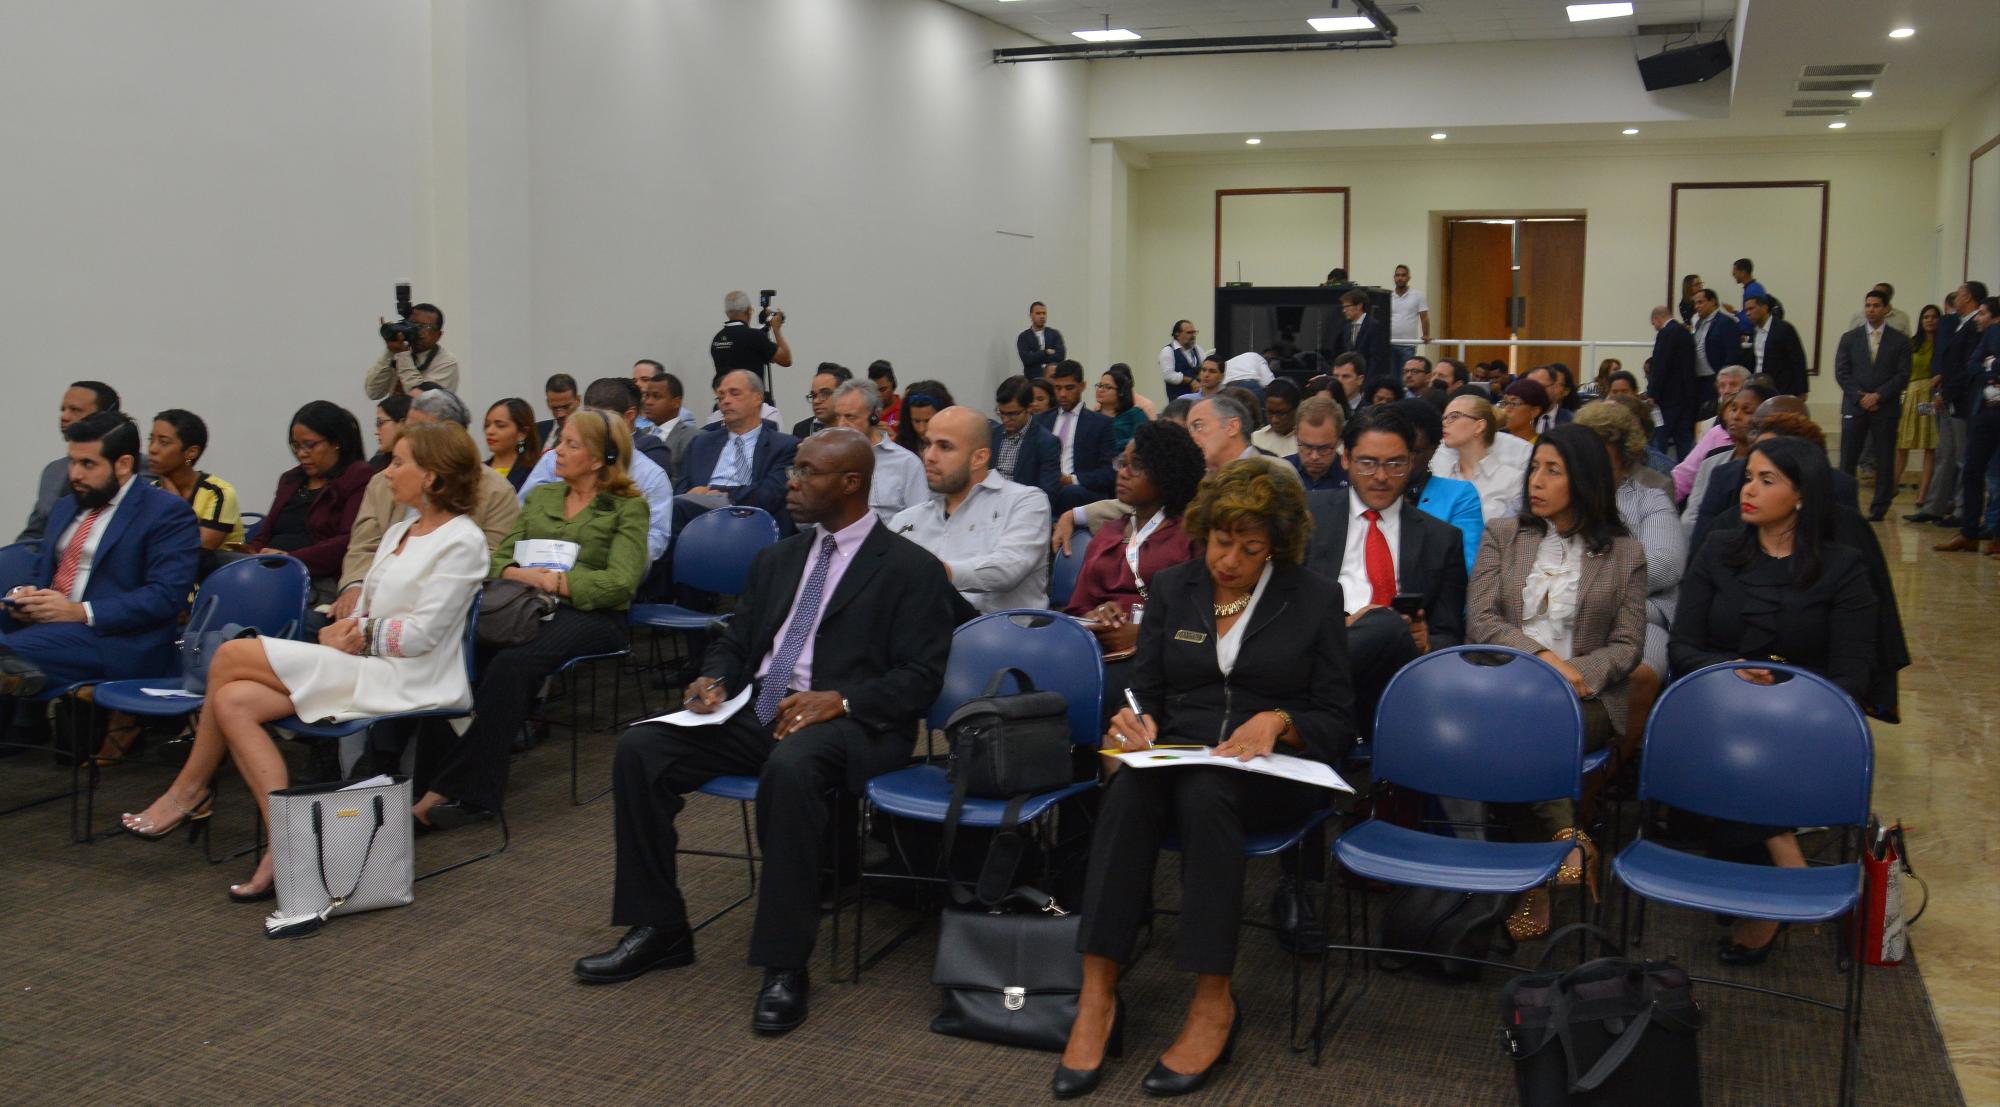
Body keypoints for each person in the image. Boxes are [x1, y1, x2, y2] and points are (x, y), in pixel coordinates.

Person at [576, 430, 955, 1037]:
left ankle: (784, 963)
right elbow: (737, 639)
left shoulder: (909, 568)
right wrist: (714, 680)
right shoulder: (779, 557)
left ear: (851, 484)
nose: (792, 482)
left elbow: (922, 677)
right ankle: (660, 927)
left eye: (808, 473)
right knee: (641, 749)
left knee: (793, 767)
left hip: (856, 724)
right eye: (794, 470)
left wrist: (844, 698)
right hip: (761, 711)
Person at [1056, 460, 1354, 1099]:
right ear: (1203, 533)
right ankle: (1097, 994)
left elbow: (1336, 718)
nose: (1231, 560)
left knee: (1207, 789)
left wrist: (1277, 720)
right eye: (1222, 542)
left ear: (1276, 542)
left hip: (1269, 771)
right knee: (1131, 785)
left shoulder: (1315, 598)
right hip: (1180, 753)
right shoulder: (1173, 587)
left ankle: (1212, 1000)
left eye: (1251, 547)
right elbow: (1147, 685)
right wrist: (1135, 719)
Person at [118, 424, 487, 897]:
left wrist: (355, 633)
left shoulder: (463, 540)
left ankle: (188, 792)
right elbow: (376, 611)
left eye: (398, 462)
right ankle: (287, 845)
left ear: (433, 477)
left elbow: (423, 634)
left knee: (230, 655)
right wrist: (346, 626)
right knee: (233, 700)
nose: (387, 471)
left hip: (410, 677)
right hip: (368, 661)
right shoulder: (401, 528)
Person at [1670, 436, 1877, 964]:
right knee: (1732, 741)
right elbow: (1683, 646)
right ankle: (1786, 856)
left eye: (1767, 480)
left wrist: (1789, 686)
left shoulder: (1843, 566)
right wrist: (1734, 673)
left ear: (1802, 495)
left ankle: (1759, 892)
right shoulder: (1718, 548)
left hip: (1807, 717)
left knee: (1754, 749)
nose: (1749, 490)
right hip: (1719, 706)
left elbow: (1853, 674)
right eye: (1748, 477)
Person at [419, 411, 649, 827]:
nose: (557, 450)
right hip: (525, 604)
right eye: (561, 441)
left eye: (571, 444)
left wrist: (557, 582)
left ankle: (467, 794)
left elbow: (621, 583)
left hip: (592, 615)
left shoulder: (628, 507)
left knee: (512, 665)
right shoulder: (543, 496)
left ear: (599, 459)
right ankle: (429, 780)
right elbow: (500, 558)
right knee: (457, 657)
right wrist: (530, 576)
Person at [1467, 424, 1646, 940]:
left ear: (1585, 481)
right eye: (1534, 469)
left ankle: (1540, 879)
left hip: (1584, 701)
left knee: (1522, 729)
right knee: (1518, 723)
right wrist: (1545, 659)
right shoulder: (1504, 534)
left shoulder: (1626, 553)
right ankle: (1566, 839)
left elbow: (1629, 643)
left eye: (1553, 471)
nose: (1536, 482)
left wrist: (1579, 677)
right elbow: (1481, 620)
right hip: (1506, 686)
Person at [0, 412, 198, 698]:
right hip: (50, 625)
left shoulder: (166, 513)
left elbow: (165, 596)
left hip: (113, 639)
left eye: (88, 464)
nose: (75, 474)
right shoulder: (67, 506)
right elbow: (42, 573)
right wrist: (25, 595)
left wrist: (78, 612)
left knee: (10, 658)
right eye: (72, 462)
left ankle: (24, 724)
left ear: (123, 464)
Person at [1304, 407, 1467, 737]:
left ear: (1410, 463)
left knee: (1388, 623)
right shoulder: (1308, 516)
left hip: (1396, 675)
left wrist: (1425, 643)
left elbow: (1449, 633)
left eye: (1395, 464)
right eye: (1368, 463)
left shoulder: (1441, 539)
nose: (1381, 476)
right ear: (1346, 459)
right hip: (1315, 652)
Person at [330, 390, 522, 623]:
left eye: (422, 431)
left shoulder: (495, 492)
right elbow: (363, 546)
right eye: (408, 428)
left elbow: (493, 560)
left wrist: (362, 631)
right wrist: (355, 586)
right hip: (373, 605)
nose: (408, 439)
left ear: (451, 438)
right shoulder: (382, 484)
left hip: (447, 609)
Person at [1066, 421, 1206, 713]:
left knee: (1103, 688)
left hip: (1161, 654)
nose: (1123, 472)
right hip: (1097, 650)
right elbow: (1077, 609)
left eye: (1137, 466)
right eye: (1122, 462)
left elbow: (1200, 617)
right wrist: (1095, 615)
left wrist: (1143, 634)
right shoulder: (1108, 534)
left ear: (1165, 473)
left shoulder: (1191, 535)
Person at [1573, 401, 1687, 749]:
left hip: (1638, 618)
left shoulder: (1648, 499)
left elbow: (1664, 565)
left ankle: (1602, 783)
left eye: (1601, 458)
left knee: (1636, 675)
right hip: (1563, 615)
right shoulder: (1558, 495)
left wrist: (1587, 580)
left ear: (1624, 458)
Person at [891, 407, 1050, 613]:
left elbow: (1008, 569)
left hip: (1002, 637)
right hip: (924, 635)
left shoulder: (1025, 502)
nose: (929, 456)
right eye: (927, 444)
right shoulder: (907, 520)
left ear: (979, 458)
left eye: (945, 447)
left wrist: (933, 573)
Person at [516, 378, 674, 564]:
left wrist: (600, 562)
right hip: (542, 562)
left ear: (628, 417)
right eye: (589, 417)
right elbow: (522, 511)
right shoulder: (554, 459)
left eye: (603, 420)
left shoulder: (651, 477)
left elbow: (654, 541)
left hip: (610, 570)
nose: (593, 427)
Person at [247, 401, 373, 599]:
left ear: (336, 442)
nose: (301, 454)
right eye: (296, 447)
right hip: (270, 572)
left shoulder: (358, 477)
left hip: (317, 580)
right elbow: (265, 532)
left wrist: (291, 559)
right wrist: (250, 553)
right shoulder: (290, 479)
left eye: (310, 445)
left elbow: (349, 541)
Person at [675, 370, 801, 535]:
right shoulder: (700, 444)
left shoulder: (785, 446)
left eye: (734, 393)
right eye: (720, 397)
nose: (725, 401)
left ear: (758, 398)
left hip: (757, 527)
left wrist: (712, 494)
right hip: (700, 527)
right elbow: (681, 494)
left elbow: (769, 494)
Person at [1909, 282, 1989, 524]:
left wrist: (1949, 392)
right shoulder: (1959, 323)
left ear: (1970, 298)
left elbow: (1966, 367)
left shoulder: (1976, 326)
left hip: (1962, 401)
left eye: (1961, 294)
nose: (1957, 297)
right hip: (1948, 397)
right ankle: (1934, 506)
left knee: (1963, 458)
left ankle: (1961, 511)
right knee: (1945, 455)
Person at [1834, 288, 1914, 521]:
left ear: (1886, 309)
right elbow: (1842, 372)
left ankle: (1879, 507)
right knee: (1849, 457)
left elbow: (1903, 374)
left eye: (1876, 305)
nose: (1871, 310)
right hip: (1854, 406)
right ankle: (1847, 505)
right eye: (1868, 305)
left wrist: (1878, 396)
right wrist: (1860, 397)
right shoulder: (1850, 338)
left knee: (1884, 458)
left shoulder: (1899, 341)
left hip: (1885, 407)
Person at [18, 381, 125, 548]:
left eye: (75, 410)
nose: (64, 417)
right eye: (63, 409)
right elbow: (34, 534)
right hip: (52, 567)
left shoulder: (137, 466)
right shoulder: (53, 471)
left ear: (105, 416)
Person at [1937, 297, 2000, 552]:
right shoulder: (1986, 337)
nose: (1978, 318)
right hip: (1984, 410)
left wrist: (1992, 364)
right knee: (1972, 469)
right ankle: (1969, 532)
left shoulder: (1994, 333)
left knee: (1995, 475)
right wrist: (1992, 370)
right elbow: (1973, 365)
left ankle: (1995, 534)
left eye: (1983, 313)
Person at [827, 381, 927, 522]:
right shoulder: (828, 461)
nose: (841, 425)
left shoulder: (907, 463)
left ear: (875, 416)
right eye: (838, 417)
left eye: (850, 417)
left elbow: (920, 521)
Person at [147, 410, 244, 551]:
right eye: (151, 440)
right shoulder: (152, 490)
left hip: (214, 570)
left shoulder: (218, 493)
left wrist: (176, 504)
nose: (152, 449)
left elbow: (199, 548)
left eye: (163, 442)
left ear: (191, 452)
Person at [1434, 391, 1531, 522]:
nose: (1445, 423)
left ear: (1479, 426)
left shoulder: (1512, 480)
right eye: (1444, 418)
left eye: (1453, 416)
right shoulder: (1438, 476)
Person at [1037, 361, 1118, 511]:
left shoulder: (1101, 424)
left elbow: (1110, 472)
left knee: (1070, 492)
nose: (1062, 394)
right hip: (1045, 488)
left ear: (1082, 386)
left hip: (1080, 493)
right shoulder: (1041, 421)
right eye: (1058, 388)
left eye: (1069, 388)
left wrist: (1071, 479)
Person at [1893, 305, 1943, 508]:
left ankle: (1923, 494)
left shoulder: (1942, 345)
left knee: (1929, 443)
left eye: (1933, 317)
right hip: (1911, 396)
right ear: (1921, 321)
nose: (1930, 321)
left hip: (1930, 397)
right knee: (1903, 442)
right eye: (1926, 317)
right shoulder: (1912, 343)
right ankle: (1892, 486)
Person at [1678, 366, 1749, 496]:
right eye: (1722, 386)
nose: (1727, 391)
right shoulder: (1714, 430)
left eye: (1733, 384)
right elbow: (1686, 473)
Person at [364, 302, 458, 400]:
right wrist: (390, 351)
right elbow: (373, 392)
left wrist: (403, 356)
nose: (418, 332)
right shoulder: (400, 352)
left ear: (438, 335)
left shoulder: (446, 362)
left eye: (425, 327)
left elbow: (424, 400)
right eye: (413, 325)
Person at [992, 375, 1061, 499]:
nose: (1005, 419)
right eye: (1001, 413)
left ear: (1029, 408)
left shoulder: (1046, 442)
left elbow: (1047, 493)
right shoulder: (991, 434)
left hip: (1022, 507)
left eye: (1012, 414)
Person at [1647, 305, 1701, 460]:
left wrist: (1652, 393)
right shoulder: (1686, 332)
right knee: (1683, 439)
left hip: (1668, 397)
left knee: (1660, 438)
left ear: (1657, 318)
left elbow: (1660, 366)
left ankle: (1659, 472)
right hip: (1686, 396)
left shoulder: (1665, 333)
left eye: (1654, 324)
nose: (1655, 328)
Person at [709, 290, 792, 391]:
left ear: (727, 313)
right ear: (748, 310)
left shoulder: (717, 340)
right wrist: (776, 329)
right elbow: (786, 359)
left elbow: (743, 345)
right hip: (752, 402)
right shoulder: (754, 337)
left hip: (726, 402)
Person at [640, 370, 699, 486]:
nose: (648, 402)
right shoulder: (639, 435)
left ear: (676, 402)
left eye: (656, 396)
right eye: (646, 396)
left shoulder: (693, 437)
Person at [1741, 294, 1807, 398]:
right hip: (1757, 387)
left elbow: (1798, 360)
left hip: (1781, 387)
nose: (1748, 313)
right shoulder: (1754, 332)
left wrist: (1802, 389)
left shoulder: (1784, 328)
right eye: (1746, 311)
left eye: (1751, 309)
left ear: (1764, 307)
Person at [1690, 288, 1747, 393]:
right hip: (1699, 378)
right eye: (1695, 303)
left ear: (1712, 302)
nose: (1696, 306)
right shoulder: (1698, 323)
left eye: (1700, 302)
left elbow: (1733, 353)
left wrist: (1724, 377)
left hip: (1716, 377)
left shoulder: (1726, 322)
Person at [1287, 395, 1347, 492]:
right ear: (1296, 435)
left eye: (1324, 449)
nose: (1314, 457)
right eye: (1307, 447)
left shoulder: (1354, 478)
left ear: (1339, 441)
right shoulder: (1278, 473)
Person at [1333, 290, 1391, 391]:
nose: (1344, 310)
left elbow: (1376, 358)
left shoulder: (1374, 326)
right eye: (1343, 307)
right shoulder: (1346, 327)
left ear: (1359, 306)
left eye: (1347, 306)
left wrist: (1367, 382)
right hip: (1350, 380)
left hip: (1367, 381)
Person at [483, 398, 542, 493]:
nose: (490, 431)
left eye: (500, 426)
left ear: (522, 433)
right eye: (487, 425)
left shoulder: (534, 473)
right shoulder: (477, 471)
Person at [1096, 365, 1150, 452]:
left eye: (1108, 387)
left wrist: (1111, 445)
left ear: (1121, 392)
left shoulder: (1135, 414)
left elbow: (1143, 438)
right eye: (1099, 386)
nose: (1100, 390)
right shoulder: (1092, 417)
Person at [892, 382, 953, 457]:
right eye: (916, 421)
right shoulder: (898, 448)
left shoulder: (959, 445)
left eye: (928, 421)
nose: (922, 429)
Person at [792, 363, 851, 439]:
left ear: (842, 395)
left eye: (825, 394)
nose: (816, 401)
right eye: (813, 396)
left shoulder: (856, 427)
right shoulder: (801, 429)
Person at [1388, 263, 1430, 368]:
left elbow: (1424, 317)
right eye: (1397, 275)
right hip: (1390, 343)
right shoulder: (1388, 296)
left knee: (1407, 376)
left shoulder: (1418, 295)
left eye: (1403, 275)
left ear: (1408, 278)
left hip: (1408, 344)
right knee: (1391, 378)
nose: (1400, 278)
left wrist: (1426, 335)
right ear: (1394, 278)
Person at [1253, 379, 1301, 457]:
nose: (1274, 420)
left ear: (1297, 410)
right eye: (1270, 412)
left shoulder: (1308, 441)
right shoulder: (1255, 439)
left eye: (1282, 414)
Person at [1159, 319, 1204, 400]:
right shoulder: (1168, 351)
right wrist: (1191, 381)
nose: (1193, 336)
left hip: (1198, 399)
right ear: (1177, 334)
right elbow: (1168, 375)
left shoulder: (1198, 349)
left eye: (1194, 332)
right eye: (1189, 333)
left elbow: (1204, 368)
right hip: (1178, 401)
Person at [1847, 282, 1913, 338]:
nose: (1875, 296)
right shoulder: (1858, 317)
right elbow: (1850, 339)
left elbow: (1907, 340)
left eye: (1879, 294)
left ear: (1889, 297)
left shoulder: (1901, 317)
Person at [1017, 301, 1065, 374]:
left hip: (1053, 378)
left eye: (1044, 313)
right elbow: (1027, 359)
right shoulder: (1024, 337)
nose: (1042, 316)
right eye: (1038, 313)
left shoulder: (1054, 334)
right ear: (1031, 315)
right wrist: (1046, 352)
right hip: (1033, 379)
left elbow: (1060, 356)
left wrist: (1035, 356)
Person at [1498, 378, 1550, 445]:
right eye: (1504, 403)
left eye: (1514, 403)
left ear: (1534, 411)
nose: (1506, 409)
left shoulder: (1542, 447)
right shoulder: (1497, 440)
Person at [369, 393, 412, 472]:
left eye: (380, 423)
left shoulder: (420, 466)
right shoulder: (375, 463)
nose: (376, 432)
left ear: (403, 423)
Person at [539, 373, 580, 447]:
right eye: (555, 408)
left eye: (566, 407)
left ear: (578, 400)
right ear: (548, 403)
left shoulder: (590, 432)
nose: (560, 414)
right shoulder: (538, 431)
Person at [1730, 258, 1769, 330]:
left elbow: (1751, 319)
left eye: (1735, 272)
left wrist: (1735, 313)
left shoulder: (1753, 290)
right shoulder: (1752, 287)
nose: (1733, 275)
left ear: (1743, 273)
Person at [867, 361, 901, 433]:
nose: (878, 395)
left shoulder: (905, 410)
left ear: (893, 385)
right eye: (874, 390)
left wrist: (894, 438)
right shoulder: (865, 410)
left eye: (883, 390)